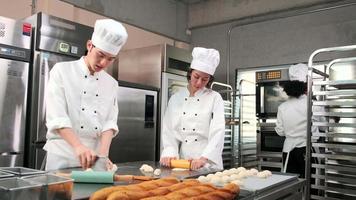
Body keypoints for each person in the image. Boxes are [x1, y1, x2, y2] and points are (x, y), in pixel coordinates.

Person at [43, 19, 128, 170]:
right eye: (100, 55)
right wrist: (78, 147)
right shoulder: (62, 71)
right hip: (62, 155)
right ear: (89, 45)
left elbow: (109, 122)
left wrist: (103, 155)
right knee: (58, 193)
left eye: (110, 59)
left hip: (94, 158)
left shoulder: (111, 83)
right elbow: (57, 116)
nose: (103, 63)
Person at [160, 47, 226, 170]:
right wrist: (169, 153)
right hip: (183, 162)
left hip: (207, 162)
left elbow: (218, 131)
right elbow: (169, 130)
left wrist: (204, 158)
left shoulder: (214, 98)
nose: (199, 83)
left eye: (205, 79)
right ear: (190, 73)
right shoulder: (176, 98)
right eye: (196, 76)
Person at [275, 63, 324, 177]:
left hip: (288, 151)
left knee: (290, 183)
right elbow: (323, 125)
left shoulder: (283, 107)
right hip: (307, 150)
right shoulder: (313, 105)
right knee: (310, 185)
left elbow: (280, 131)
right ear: (307, 85)